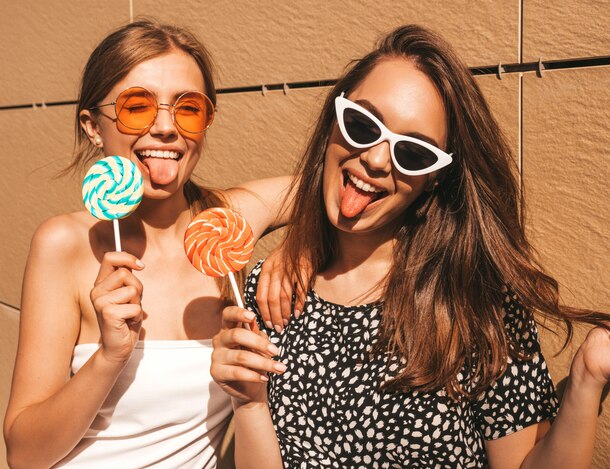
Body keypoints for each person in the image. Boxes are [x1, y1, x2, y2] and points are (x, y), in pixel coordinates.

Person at [210, 24, 610, 468]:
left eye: (414, 153)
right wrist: (248, 406)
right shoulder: (267, 296)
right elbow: (210, 213)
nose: (378, 160)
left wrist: (586, 381)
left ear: (434, 179)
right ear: (332, 120)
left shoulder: (475, 303)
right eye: (361, 124)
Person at [3, 20, 292, 468]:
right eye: (137, 107)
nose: (165, 128)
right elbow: (23, 456)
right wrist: (109, 357)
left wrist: (301, 250)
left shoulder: (226, 223)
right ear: (93, 125)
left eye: (188, 109)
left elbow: (338, 196)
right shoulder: (65, 244)